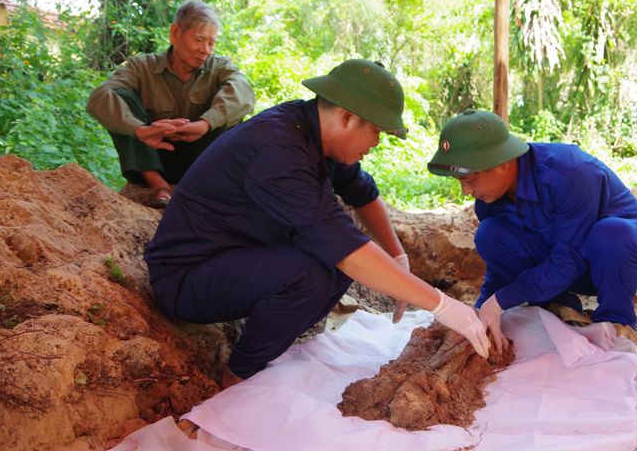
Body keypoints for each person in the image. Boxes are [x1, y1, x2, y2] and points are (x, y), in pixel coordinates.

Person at [143, 59, 489, 389]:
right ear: (347, 118)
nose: (377, 143)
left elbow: (362, 192)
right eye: (377, 131)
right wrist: (441, 304)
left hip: (236, 258)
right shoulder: (279, 148)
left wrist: (398, 256)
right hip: (186, 279)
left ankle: (271, 336)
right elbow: (343, 244)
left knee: (333, 265)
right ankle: (237, 376)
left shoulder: (313, 132)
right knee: (314, 271)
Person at [427, 109, 637, 351]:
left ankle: (617, 322)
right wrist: (482, 308)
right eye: (460, 181)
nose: (466, 191)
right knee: (489, 234)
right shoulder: (490, 199)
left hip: (623, 261)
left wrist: (501, 301)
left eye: (470, 180)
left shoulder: (573, 173)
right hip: (570, 267)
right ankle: (561, 307)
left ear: (503, 163)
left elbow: (567, 260)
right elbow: (499, 265)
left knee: (611, 233)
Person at [86, 0, 255, 208]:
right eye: (199, 40)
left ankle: (203, 186)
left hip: (203, 160)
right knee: (120, 97)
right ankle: (160, 186)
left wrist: (204, 124)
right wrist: (140, 130)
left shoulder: (221, 66)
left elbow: (245, 93)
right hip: (153, 159)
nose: (206, 50)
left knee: (231, 102)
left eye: (211, 43)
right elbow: (99, 97)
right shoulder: (142, 66)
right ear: (175, 33)